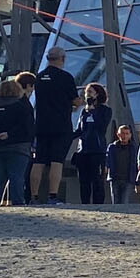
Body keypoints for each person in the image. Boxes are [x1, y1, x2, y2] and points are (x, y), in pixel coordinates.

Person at [0, 79, 36, 207]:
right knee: (16, 177)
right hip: (17, 148)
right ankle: (17, 204)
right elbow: (27, 127)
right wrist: (9, 134)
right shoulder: (21, 107)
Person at [31, 58, 79, 205]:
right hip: (61, 125)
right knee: (56, 161)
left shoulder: (39, 77)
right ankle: (53, 196)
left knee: (38, 161)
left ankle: (34, 197)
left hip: (41, 124)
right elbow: (75, 100)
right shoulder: (66, 77)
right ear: (63, 59)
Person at [73, 84, 112, 204]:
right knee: (84, 181)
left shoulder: (105, 111)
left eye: (90, 92)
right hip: (83, 150)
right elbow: (80, 130)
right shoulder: (83, 112)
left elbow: (101, 127)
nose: (87, 94)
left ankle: (98, 204)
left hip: (97, 150)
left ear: (97, 94)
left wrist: (93, 111)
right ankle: (85, 203)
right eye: (86, 92)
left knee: (97, 180)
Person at [107, 122, 138, 204]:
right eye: (122, 134)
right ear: (118, 134)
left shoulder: (134, 148)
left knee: (124, 201)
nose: (124, 136)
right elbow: (108, 160)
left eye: (127, 134)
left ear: (130, 135)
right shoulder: (112, 147)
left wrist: (137, 181)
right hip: (115, 178)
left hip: (128, 179)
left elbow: (136, 163)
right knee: (116, 202)